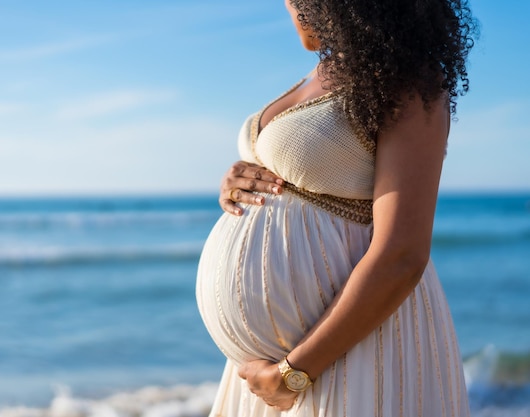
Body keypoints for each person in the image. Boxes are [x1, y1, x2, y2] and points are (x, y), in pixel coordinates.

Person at [196, 0, 477, 416]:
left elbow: (402, 254)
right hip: (271, 373)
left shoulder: (408, 84)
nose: (288, 9)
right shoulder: (320, 74)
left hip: (349, 355)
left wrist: (296, 372)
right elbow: (308, 168)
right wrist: (238, 180)